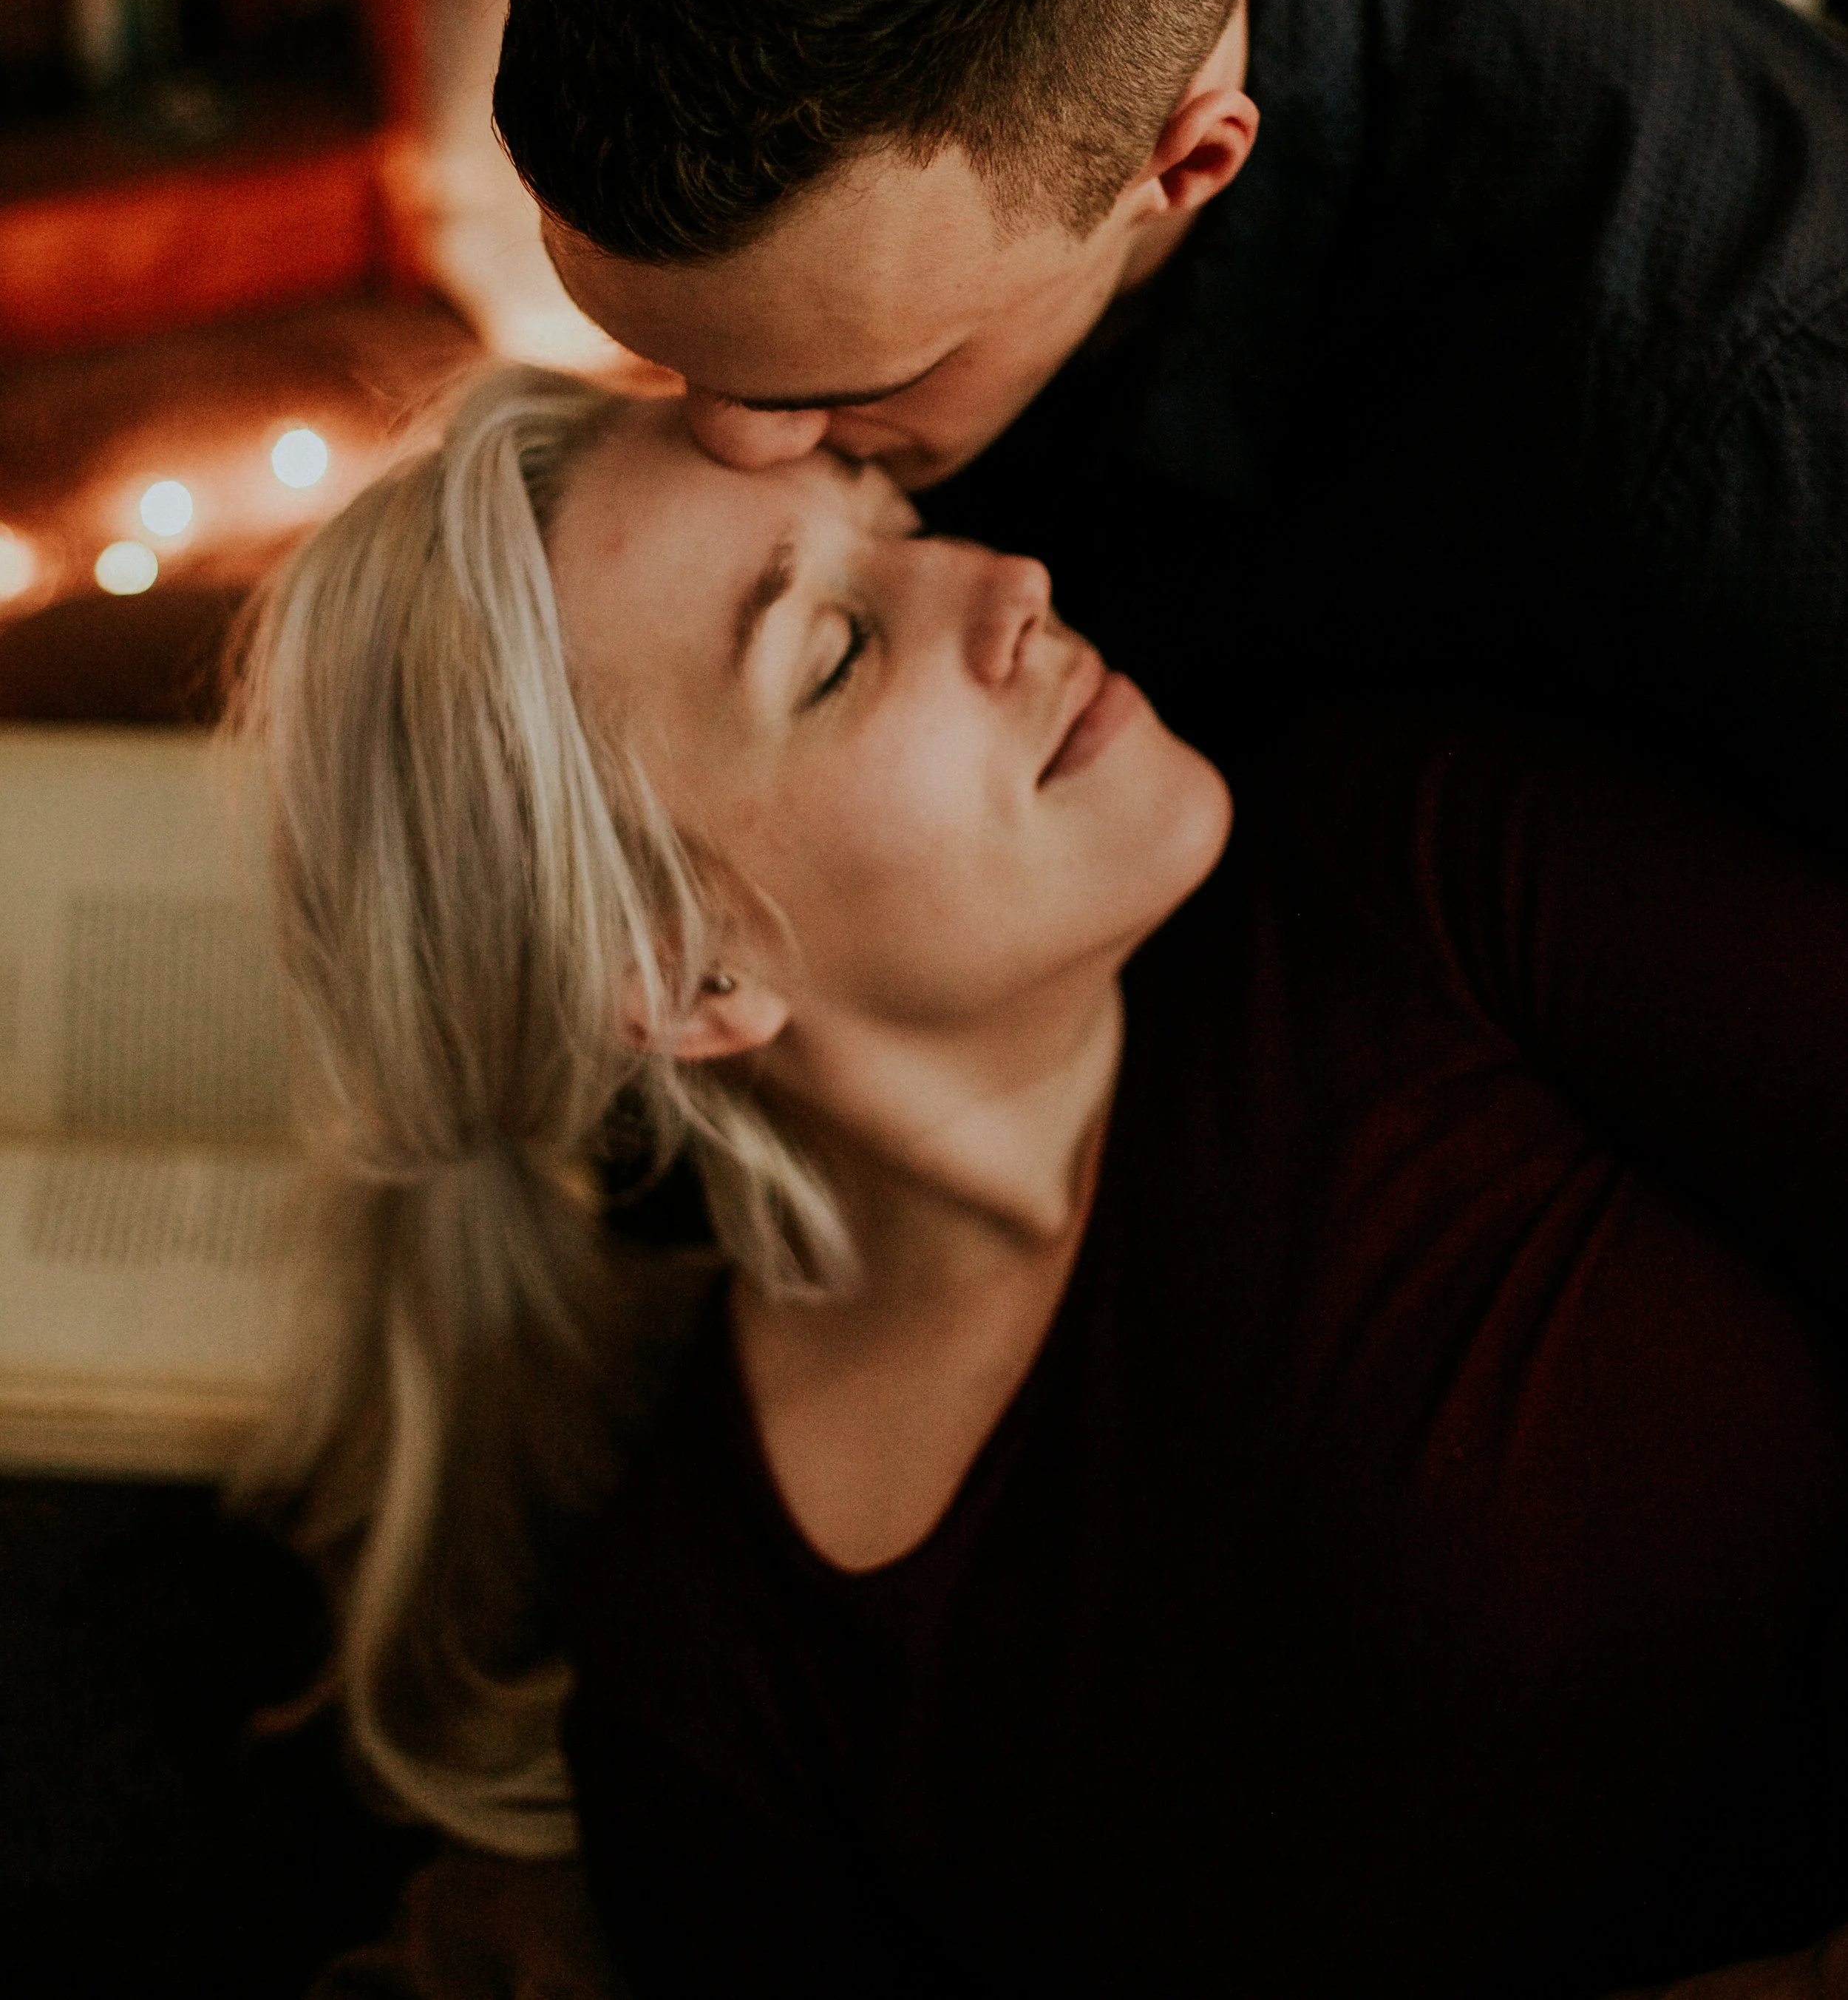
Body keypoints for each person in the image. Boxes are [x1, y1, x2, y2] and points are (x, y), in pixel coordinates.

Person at [247, 365, 1848, 2000]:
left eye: (897, 519)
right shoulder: (712, 1668)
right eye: (837, 649)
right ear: (681, 977)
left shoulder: (1403, 871)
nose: (1004, 585)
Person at [490, 0, 1848, 852]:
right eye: (671, 355)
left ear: (1188, 165)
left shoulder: (1722, 424)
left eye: (837, 383)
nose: (730, 443)